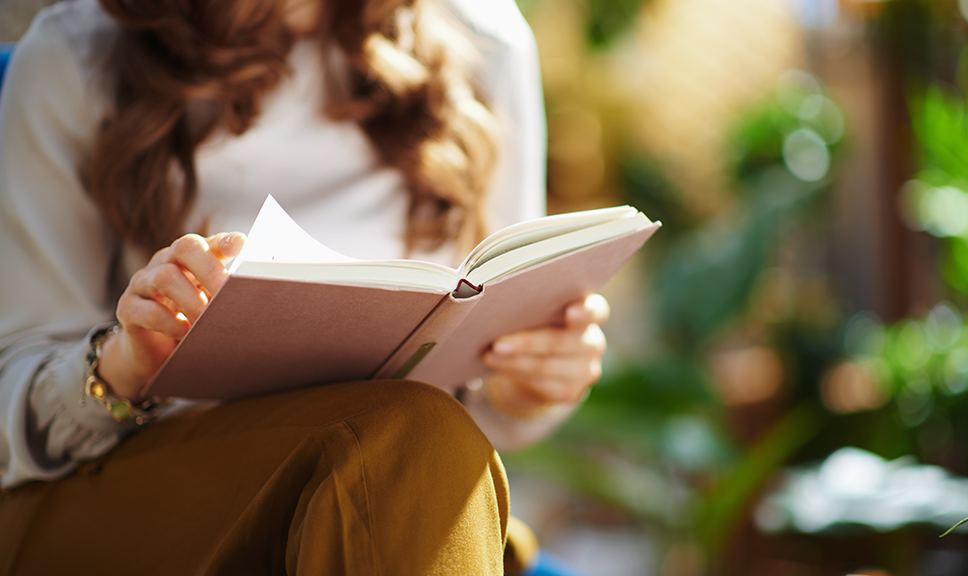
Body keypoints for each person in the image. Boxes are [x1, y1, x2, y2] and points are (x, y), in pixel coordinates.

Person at [0, 0, 611, 573]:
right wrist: (126, 364)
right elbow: (12, 397)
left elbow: (490, 378)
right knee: (413, 444)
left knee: (416, 453)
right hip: (132, 492)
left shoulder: (484, 39)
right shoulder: (77, 54)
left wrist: (527, 383)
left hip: (398, 483)